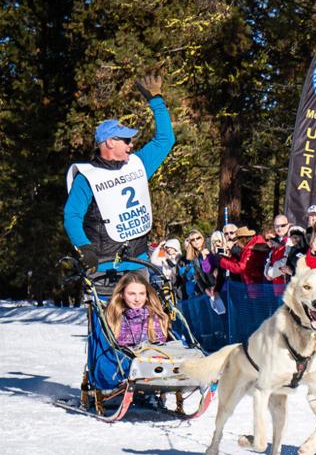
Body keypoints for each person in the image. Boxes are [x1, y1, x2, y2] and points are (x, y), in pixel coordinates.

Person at [64, 75, 175, 281]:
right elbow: (72, 215)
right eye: (126, 140)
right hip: (103, 267)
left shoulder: (137, 164)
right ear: (109, 142)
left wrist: (156, 101)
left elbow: (165, 139)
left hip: (138, 262)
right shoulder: (87, 178)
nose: (131, 144)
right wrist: (84, 247)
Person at [106, 271, 170, 348]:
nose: (137, 299)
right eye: (132, 294)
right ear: (122, 294)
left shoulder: (155, 318)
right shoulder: (112, 317)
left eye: (142, 294)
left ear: (147, 295)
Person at [179, 230, 217, 299]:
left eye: (198, 238)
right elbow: (197, 276)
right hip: (209, 290)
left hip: (219, 285)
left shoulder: (210, 248)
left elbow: (217, 267)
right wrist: (205, 290)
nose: (196, 241)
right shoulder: (194, 257)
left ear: (202, 238)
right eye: (193, 240)